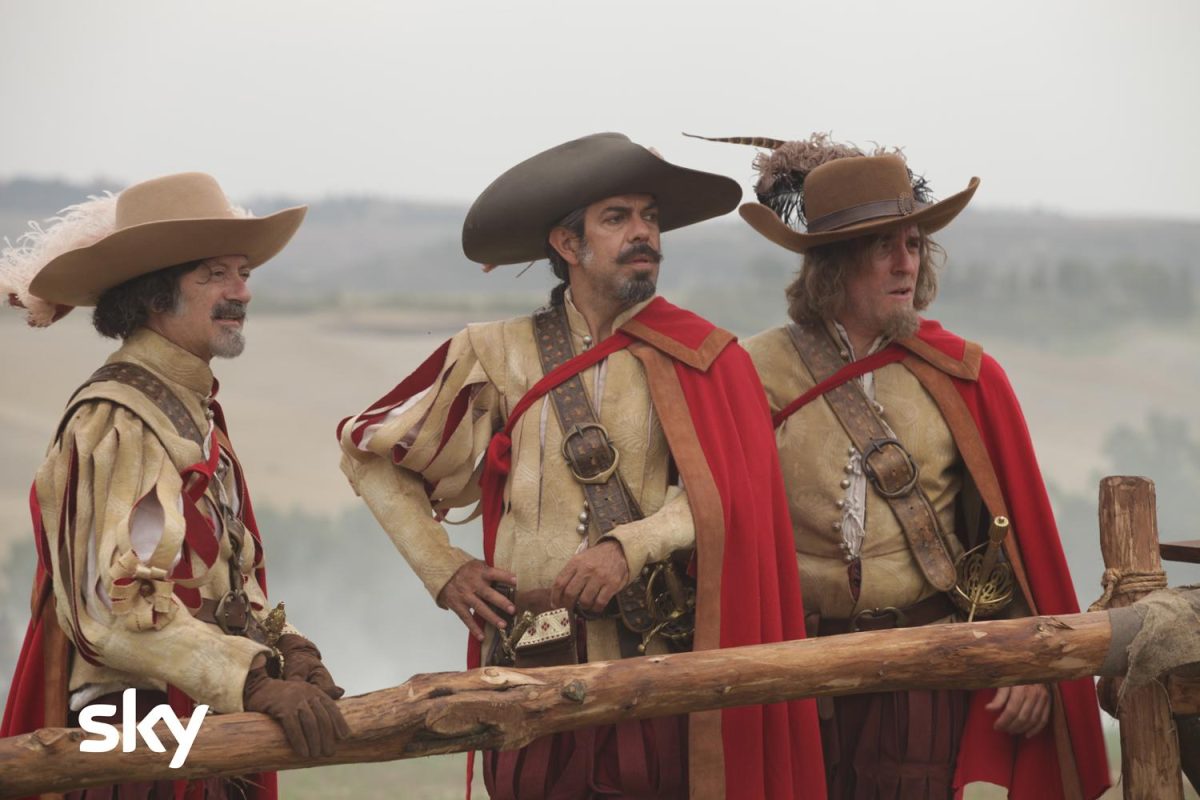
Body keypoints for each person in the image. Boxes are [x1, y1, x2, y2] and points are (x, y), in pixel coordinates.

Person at [337, 133, 824, 800]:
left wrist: (629, 546)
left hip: (651, 673)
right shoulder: (494, 351)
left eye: (649, 216)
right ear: (568, 245)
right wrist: (442, 568)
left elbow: (728, 491)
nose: (643, 232)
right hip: (526, 676)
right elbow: (367, 455)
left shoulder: (705, 355)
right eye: (617, 218)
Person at [714, 133, 1110, 798]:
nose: (906, 264)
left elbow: (1008, 541)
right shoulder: (752, 371)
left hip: (924, 674)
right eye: (883, 247)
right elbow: (715, 522)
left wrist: (1031, 659)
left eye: (915, 245)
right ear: (833, 264)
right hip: (792, 676)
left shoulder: (962, 374)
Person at [0, 172, 349, 799]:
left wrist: (289, 647)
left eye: (243, 273)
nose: (242, 291)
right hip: (138, 739)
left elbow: (223, 582)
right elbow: (111, 611)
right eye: (216, 275)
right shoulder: (116, 418)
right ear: (156, 295)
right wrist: (254, 681)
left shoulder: (190, 410)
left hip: (201, 722)